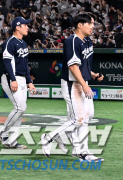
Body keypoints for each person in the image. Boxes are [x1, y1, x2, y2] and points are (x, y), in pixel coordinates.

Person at [41, 13, 104, 162]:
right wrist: (84, 85)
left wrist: (93, 75)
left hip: (83, 82)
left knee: (87, 117)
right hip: (72, 84)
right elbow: (73, 66)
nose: (93, 26)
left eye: (93, 23)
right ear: (80, 25)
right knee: (78, 119)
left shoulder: (87, 40)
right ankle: (49, 138)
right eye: (90, 23)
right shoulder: (72, 41)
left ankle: (83, 152)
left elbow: (83, 65)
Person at [0, 17, 36, 149]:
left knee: (19, 110)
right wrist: (13, 79)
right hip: (11, 78)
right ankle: (3, 133)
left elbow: (25, 65)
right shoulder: (10, 42)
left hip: (21, 79)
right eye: (25, 25)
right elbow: (7, 62)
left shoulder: (24, 44)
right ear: (17, 27)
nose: (27, 27)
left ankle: (12, 141)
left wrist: (29, 81)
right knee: (20, 108)